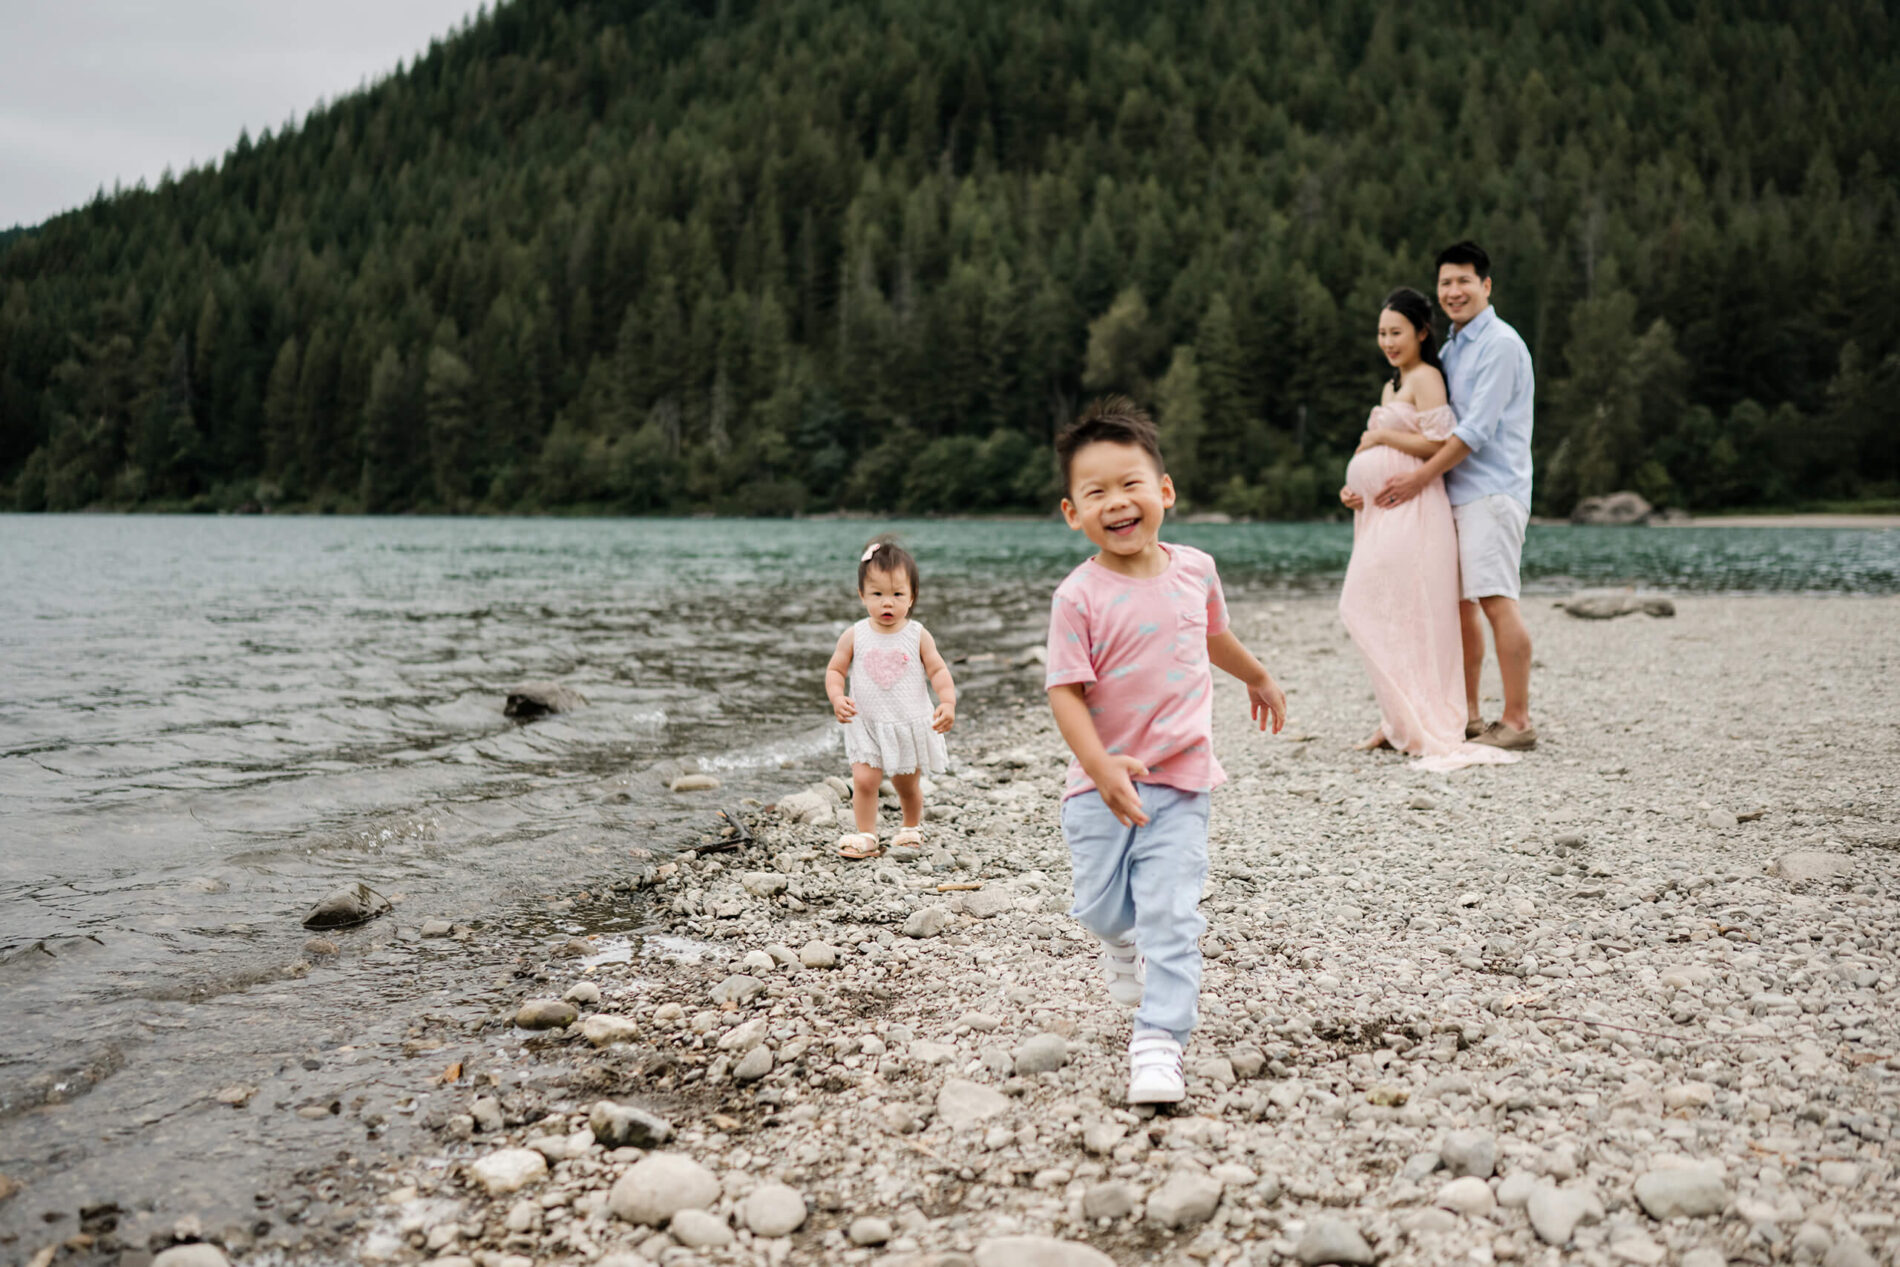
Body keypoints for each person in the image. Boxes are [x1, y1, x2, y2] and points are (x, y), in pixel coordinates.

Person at [1043, 397, 1286, 1104]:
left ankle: (1159, 1041)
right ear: (1072, 512)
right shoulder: (1078, 596)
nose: (1117, 502)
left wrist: (1258, 674)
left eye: (1131, 484)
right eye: (1097, 492)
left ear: (1165, 492)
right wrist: (1098, 764)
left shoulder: (1196, 570)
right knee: (1100, 909)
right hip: (1099, 783)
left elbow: (1211, 635)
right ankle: (1122, 947)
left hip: (1181, 777)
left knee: (1172, 912)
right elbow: (1064, 691)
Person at [1337, 289, 1518, 771]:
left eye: (1396, 332)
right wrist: (1354, 489)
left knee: (1378, 605)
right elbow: (1375, 454)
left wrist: (1379, 437)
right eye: (1381, 333)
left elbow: (1438, 441)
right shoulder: (1391, 386)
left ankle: (1419, 717)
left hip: (1417, 510)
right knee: (1390, 611)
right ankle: (1397, 717)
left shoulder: (1427, 377)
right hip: (1380, 511)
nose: (1388, 342)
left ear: (1421, 332)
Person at [1368, 242, 1538, 750]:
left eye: (1464, 280)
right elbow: (1430, 426)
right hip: (1453, 492)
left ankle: (1518, 721)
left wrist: (1418, 481)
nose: (1453, 291)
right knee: (1457, 610)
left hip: (1491, 490)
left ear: (1486, 286)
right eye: (1445, 283)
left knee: (1495, 601)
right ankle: (1466, 715)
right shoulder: (1455, 347)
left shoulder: (1501, 344)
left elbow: (1475, 432)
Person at [824, 537, 956, 859]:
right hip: (866, 722)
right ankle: (866, 834)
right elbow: (835, 670)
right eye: (878, 594)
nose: (888, 603)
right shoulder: (855, 634)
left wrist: (947, 702)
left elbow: (938, 671)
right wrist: (837, 698)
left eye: (897, 595)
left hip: (906, 724)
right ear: (861, 595)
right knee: (865, 780)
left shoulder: (917, 634)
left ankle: (911, 826)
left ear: (912, 598)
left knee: (906, 784)